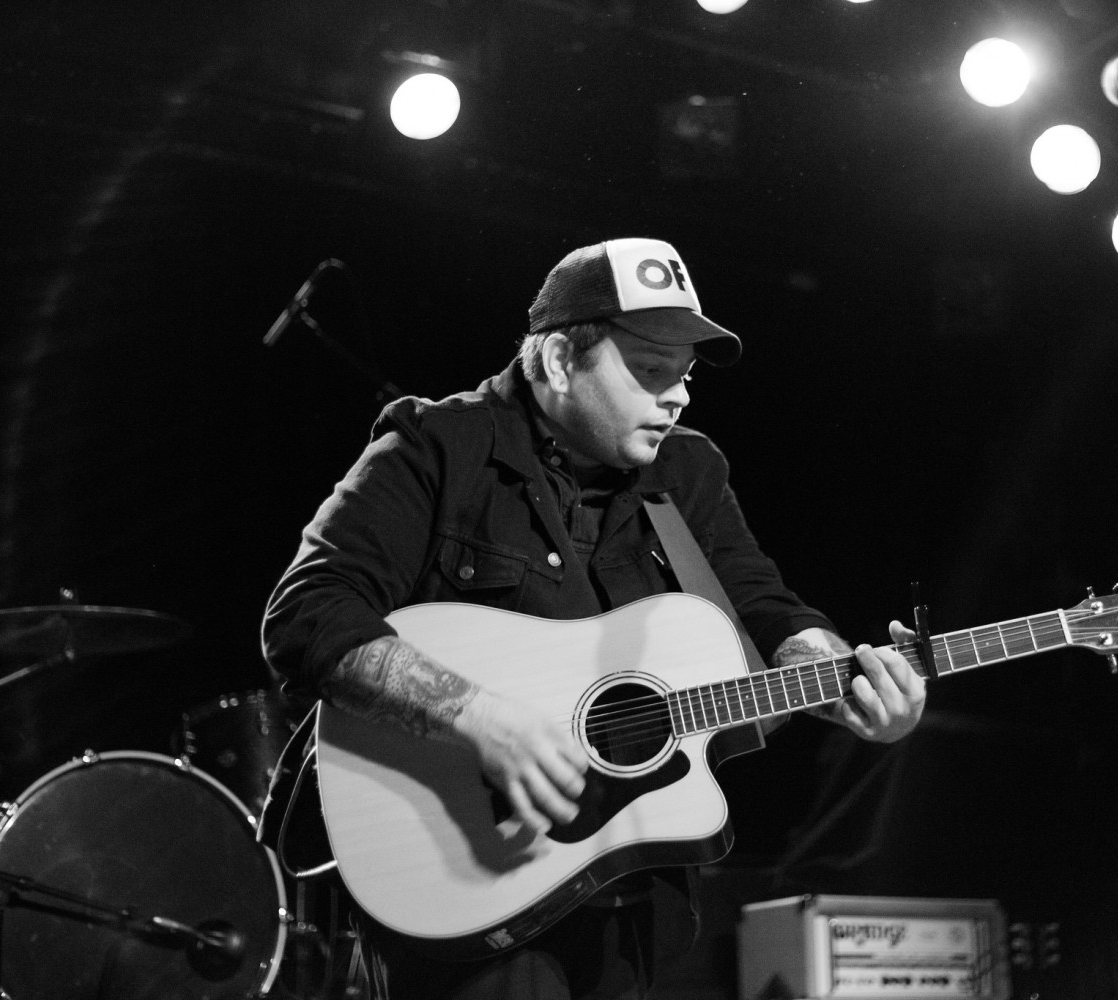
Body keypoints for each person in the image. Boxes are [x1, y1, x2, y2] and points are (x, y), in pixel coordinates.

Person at [260, 237, 927, 999]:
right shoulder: (435, 444)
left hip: (636, 893)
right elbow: (308, 613)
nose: (677, 397)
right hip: (466, 892)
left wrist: (844, 677)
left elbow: (767, 609)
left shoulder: (690, 471)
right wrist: (476, 715)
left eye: (684, 375)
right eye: (649, 371)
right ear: (555, 362)